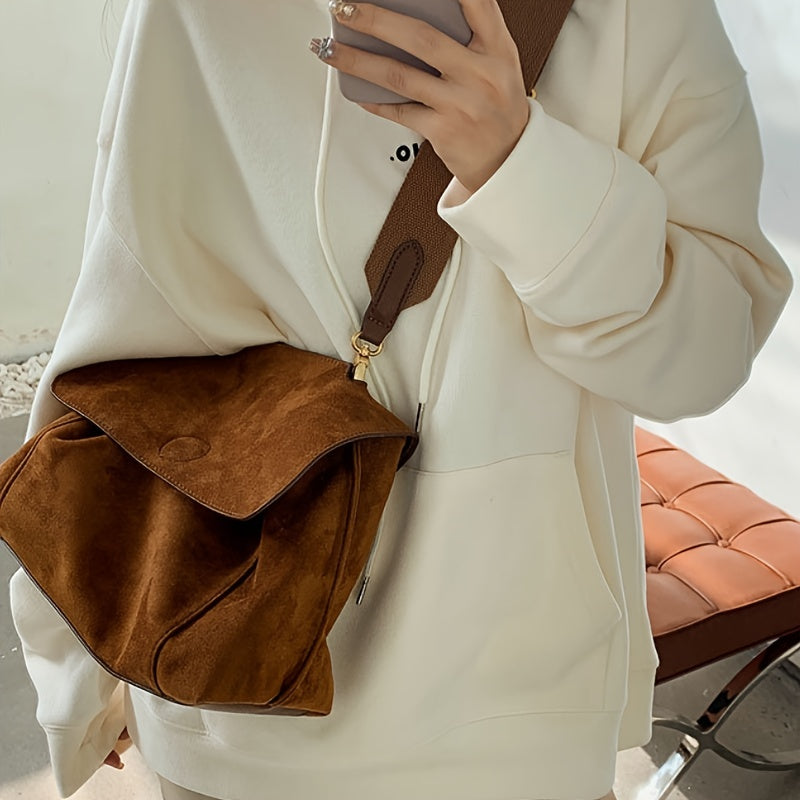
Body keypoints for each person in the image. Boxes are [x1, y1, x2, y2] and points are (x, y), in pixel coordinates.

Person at [8, 0, 792, 798]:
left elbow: (705, 355)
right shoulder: (200, 12)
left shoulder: (642, 17)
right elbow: (126, 316)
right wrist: (78, 656)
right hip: (230, 694)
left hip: (513, 721)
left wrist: (520, 163)